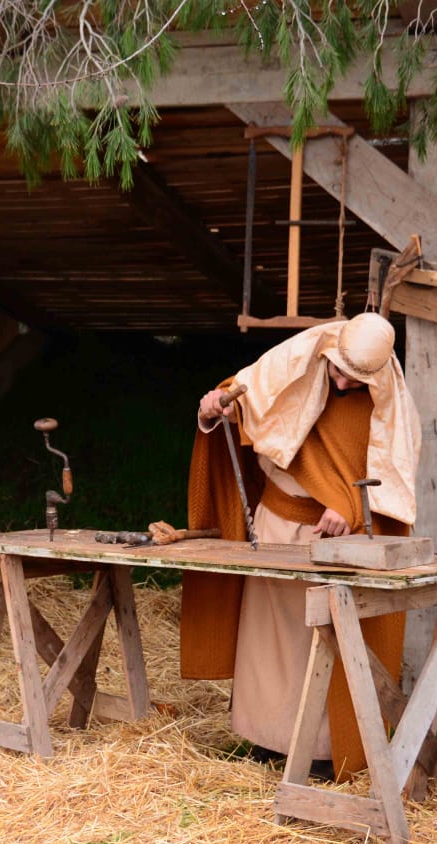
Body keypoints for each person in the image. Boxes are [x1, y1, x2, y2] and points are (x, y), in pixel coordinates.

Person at [180, 313, 421, 779]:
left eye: (355, 379)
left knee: (325, 644)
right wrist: (216, 409)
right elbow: (247, 403)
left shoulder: (388, 405)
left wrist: (352, 509)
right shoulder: (297, 361)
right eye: (337, 371)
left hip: (335, 542)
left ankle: (324, 754)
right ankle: (265, 742)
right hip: (274, 527)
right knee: (269, 644)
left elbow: (392, 481)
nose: (343, 383)